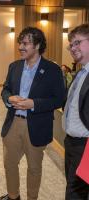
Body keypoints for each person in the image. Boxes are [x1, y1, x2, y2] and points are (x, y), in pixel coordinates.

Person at [0, 27, 65, 200]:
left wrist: (33, 104)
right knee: (9, 164)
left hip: (37, 126)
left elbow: (59, 100)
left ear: (37, 45)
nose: (20, 46)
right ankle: (13, 196)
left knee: (34, 168)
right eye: (20, 42)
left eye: (25, 43)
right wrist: (9, 98)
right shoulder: (14, 66)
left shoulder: (52, 70)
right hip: (13, 124)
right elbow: (5, 89)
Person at [62, 23, 89, 200]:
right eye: (71, 45)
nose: (73, 48)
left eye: (78, 42)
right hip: (72, 143)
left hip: (85, 145)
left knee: (75, 192)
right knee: (75, 188)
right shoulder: (80, 73)